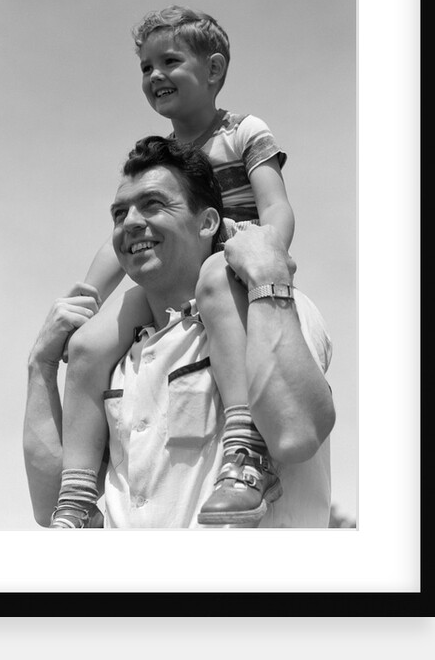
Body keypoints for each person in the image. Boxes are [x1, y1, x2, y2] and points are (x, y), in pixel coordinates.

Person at [54, 6, 303, 528]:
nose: (155, 75)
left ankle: (243, 447)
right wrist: (85, 301)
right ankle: (77, 501)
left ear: (213, 70)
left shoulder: (242, 131)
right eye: (146, 67)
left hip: (230, 262)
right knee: (87, 347)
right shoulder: (164, 159)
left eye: (169, 60)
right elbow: (124, 240)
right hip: (174, 280)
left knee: (215, 276)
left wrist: (266, 255)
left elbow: (275, 203)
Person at [23, 136, 335, 529]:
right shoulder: (112, 358)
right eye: (119, 214)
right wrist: (41, 364)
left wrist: (269, 275)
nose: (131, 222)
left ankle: (245, 459)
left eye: (154, 204)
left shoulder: (266, 307)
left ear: (207, 223)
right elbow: (49, 509)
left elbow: (297, 434)